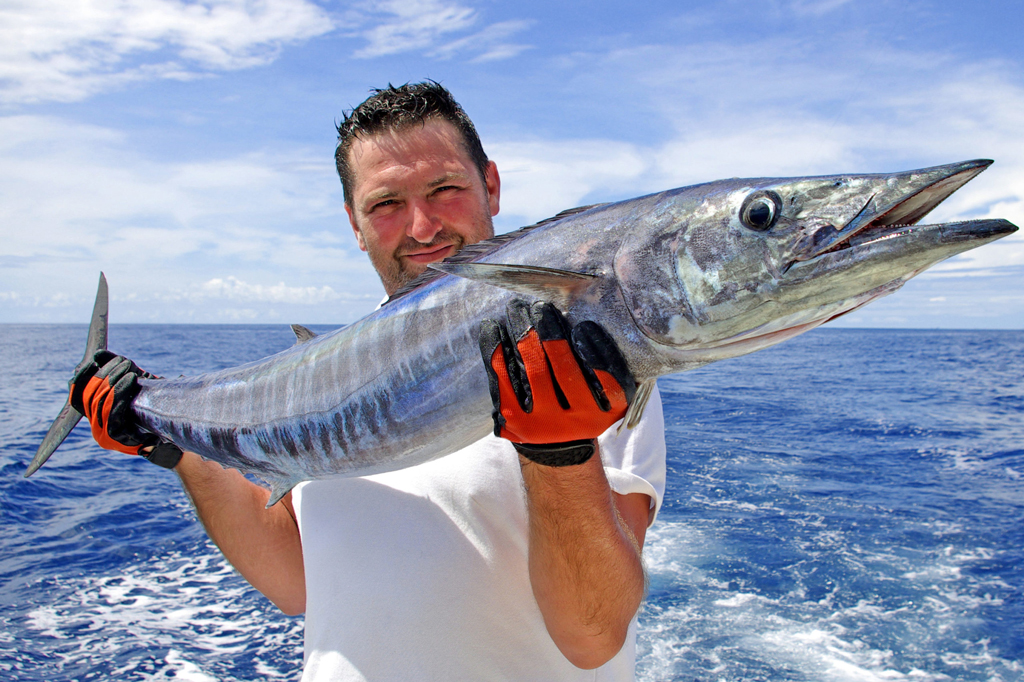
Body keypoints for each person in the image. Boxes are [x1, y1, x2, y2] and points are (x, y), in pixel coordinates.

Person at [69, 82, 667, 681]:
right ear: (355, 225)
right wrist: (174, 449)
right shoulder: (323, 379)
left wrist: (560, 453)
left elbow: (592, 639)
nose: (423, 225)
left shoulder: (592, 369)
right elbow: (296, 581)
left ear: (491, 185)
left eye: (446, 189)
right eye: (385, 204)